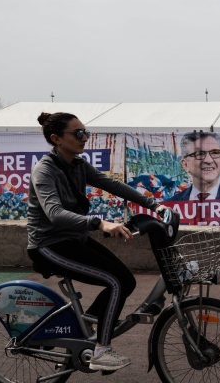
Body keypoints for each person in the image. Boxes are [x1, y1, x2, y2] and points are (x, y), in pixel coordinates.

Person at [27, 112, 168, 371]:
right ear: (56, 139)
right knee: (114, 281)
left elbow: (111, 185)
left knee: (126, 280)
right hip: (48, 245)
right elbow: (55, 214)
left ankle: (84, 329)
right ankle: (101, 351)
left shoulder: (79, 165)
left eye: (86, 132)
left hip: (73, 240)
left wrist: (154, 205)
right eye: (78, 134)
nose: (85, 138)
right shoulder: (44, 171)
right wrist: (100, 223)